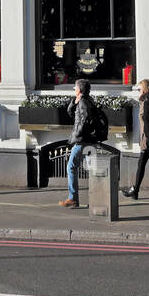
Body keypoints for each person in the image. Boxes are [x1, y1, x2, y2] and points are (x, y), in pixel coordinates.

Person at [59, 79, 97, 209]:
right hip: (88, 140)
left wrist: (78, 134)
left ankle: (73, 198)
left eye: (75, 88)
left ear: (79, 89)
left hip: (83, 141)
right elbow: (72, 114)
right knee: (92, 169)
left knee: (71, 167)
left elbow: (85, 120)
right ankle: (98, 198)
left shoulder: (83, 102)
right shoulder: (86, 100)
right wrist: (73, 103)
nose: (74, 90)